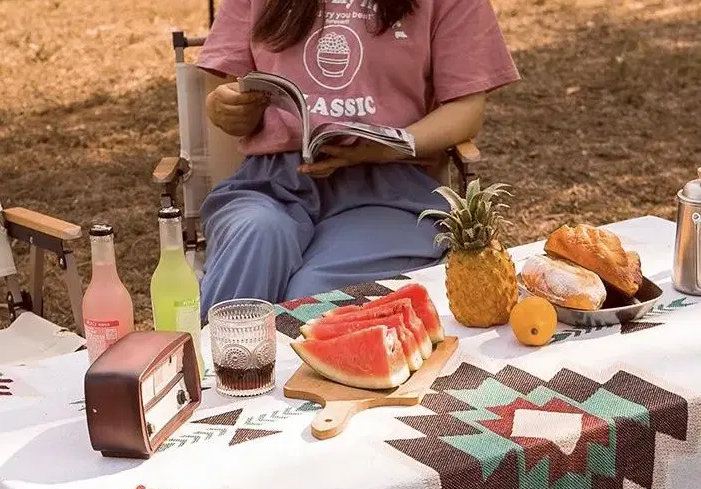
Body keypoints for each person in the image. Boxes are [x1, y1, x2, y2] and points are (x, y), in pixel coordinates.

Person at [197, 0, 519, 318]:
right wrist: (226, 109)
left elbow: (467, 110)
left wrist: (386, 146)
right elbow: (226, 89)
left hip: (390, 188)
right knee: (255, 235)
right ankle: (212, 366)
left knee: (313, 295)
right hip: (271, 182)